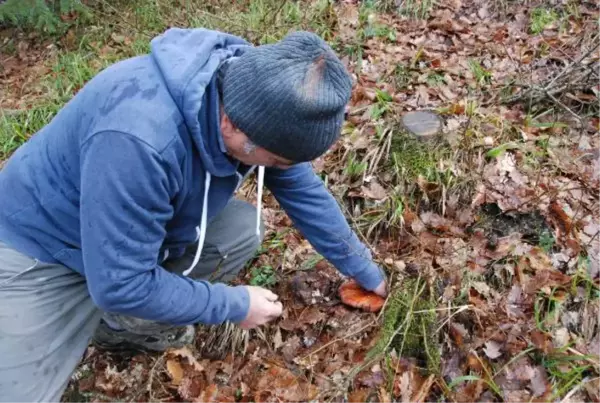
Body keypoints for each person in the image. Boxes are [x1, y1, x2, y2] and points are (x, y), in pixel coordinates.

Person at [0, 28, 388, 402]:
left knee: (239, 230)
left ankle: (122, 328)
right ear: (231, 126)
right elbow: (119, 283)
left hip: (123, 234)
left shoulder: (253, 97)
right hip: (41, 248)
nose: (283, 168)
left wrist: (362, 267)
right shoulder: (139, 140)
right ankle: (112, 309)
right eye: (277, 161)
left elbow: (301, 189)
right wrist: (233, 305)